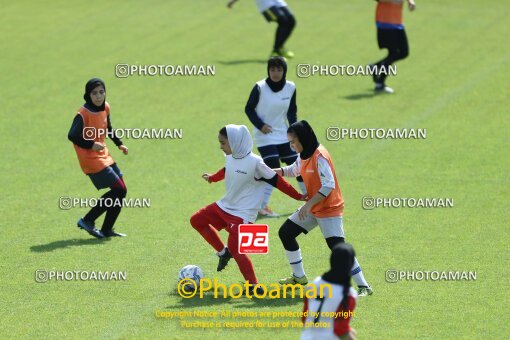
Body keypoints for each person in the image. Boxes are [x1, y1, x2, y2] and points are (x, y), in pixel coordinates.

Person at [190, 124, 305, 292]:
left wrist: (298, 196)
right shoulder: (231, 155)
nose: (220, 146)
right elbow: (227, 169)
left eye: (223, 143)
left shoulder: (256, 163)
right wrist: (213, 178)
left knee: (237, 250)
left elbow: (278, 182)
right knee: (197, 220)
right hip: (225, 206)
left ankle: (254, 286)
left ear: (235, 142)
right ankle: (223, 253)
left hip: (243, 215)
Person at [275, 120, 373, 297]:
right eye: (289, 142)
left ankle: (364, 286)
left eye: (293, 142)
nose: (291, 146)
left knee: (337, 247)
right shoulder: (304, 153)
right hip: (313, 207)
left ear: (303, 138)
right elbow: (295, 169)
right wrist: (272, 171)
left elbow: (329, 185)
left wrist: (308, 205)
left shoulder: (319, 156)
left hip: (329, 209)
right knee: (286, 232)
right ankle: (299, 277)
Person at [245, 56, 306, 217]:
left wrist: (295, 130)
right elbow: (249, 109)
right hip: (264, 136)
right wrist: (261, 125)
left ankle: (310, 200)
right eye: (272, 69)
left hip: (283, 134)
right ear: (268, 70)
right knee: (272, 168)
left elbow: (292, 112)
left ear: (284, 71)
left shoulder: (291, 87)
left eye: (279, 69)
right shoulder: (259, 87)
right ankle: (261, 206)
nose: (276, 73)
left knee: (299, 167)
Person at [68, 78, 129, 239]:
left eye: (101, 92)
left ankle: (107, 229)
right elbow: (72, 135)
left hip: (103, 154)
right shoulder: (83, 114)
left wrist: (119, 144)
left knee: (121, 191)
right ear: (88, 95)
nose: (98, 96)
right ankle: (87, 220)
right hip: (90, 158)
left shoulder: (105, 107)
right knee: (119, 189)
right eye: (94, 93)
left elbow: (108, 128)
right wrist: (91, 145)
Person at [301, 243, 358, 340]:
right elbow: (341, 331)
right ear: (351, 264)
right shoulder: (349, 294)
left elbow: (304, 318)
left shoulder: (314, 284)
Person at [371, 0, 416, 93]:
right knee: (394, 53)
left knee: (404, 52)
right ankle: (379, 84)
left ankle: (376, 67)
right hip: (385, 23)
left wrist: (410, 1)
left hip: (397, 23)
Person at [227, 0, 296, 58]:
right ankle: (275, 52)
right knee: (283, 21)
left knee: (291, 21)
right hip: (265, 2)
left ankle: (280, 48)